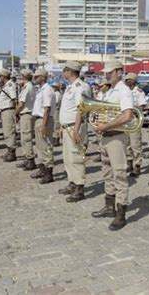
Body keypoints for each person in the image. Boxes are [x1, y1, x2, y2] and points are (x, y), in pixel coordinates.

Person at [89, 60, 134, 231]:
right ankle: (109, 206)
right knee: (107, 172)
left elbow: (127, 116)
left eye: (110, 72)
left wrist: (106, 126)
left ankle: (121, 213)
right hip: (106, 137)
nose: (106, 74)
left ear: (119, 72)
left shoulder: (124, 91)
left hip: (116, 137)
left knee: (119, 175)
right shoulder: (109, 91)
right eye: (106, 72)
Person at [58, 61, 91, 201]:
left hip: (74, 126)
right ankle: (72, 182)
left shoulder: (80, 87)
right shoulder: (71, 86)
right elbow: (67, 109)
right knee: (68, 157)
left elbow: (80, 109)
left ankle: (79, 187)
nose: (63, 72)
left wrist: (76, 129)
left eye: (65, 69)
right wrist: (62, 126)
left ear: (70, 71)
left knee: (76, 157)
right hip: (68, 126)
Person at [30, 68, 57, 184]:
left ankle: (48, 173)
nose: (34, 79)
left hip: (44, 119)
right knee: (40, 146)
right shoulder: (41, 90)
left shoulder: (47, 90)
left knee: (46, 146)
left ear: (43, 77)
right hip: (39, 119)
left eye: (36, 77)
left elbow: (47, 109)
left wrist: (44, 125)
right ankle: (42, 169)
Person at [125, 73, 147, 177]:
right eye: (126, 80)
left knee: (135, 144)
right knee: (127, 143)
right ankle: (129, 163)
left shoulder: (138, 92)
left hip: (134, 120)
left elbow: (142, 106)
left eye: (129, 80)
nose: (127, 81)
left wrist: (134, 112)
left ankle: (137, 165)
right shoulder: (125, 91)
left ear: (134, 81)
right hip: (125, 121)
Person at [15, 69, 37, 170]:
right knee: (24, 137)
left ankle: (30, 159)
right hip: (27, 114)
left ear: (23, 77)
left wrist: (15, 112)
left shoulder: (27, 87)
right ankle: (26, 157)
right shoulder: (28, 86)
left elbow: (21, 104)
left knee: (26, 138)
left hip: (27, 114)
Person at [0, 69, 18, 162]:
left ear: (4, 76)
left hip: (9, 110)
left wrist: (15, 113)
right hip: (4, 111)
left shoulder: (10, 85)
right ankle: (9, 150)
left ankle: (12, 152)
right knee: (6, 131)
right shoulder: (5, 85)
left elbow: (14, 99)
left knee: (9, 131)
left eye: (0, 76)